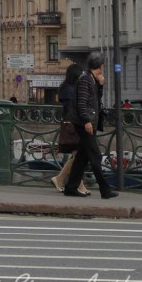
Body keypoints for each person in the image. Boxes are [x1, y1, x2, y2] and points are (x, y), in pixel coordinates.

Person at [63, 52, 117, 199]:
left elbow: (95, 100)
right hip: (84, 123)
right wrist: (87, 121)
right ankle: (105, 190)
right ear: (101, 66)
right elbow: (82, 103)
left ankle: (71, 187)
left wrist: (100, 86)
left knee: (82, 157)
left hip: (87, 122)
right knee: (95, 156)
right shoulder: (85, 79)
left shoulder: (91, 79)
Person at [52, 63, 89, 195]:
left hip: (71, 124)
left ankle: (61, 179)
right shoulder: (70, 90)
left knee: (77, 156)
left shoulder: (68, 88)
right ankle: (76, 185)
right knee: (77, 156)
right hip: (72, 125)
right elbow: (74, 108)